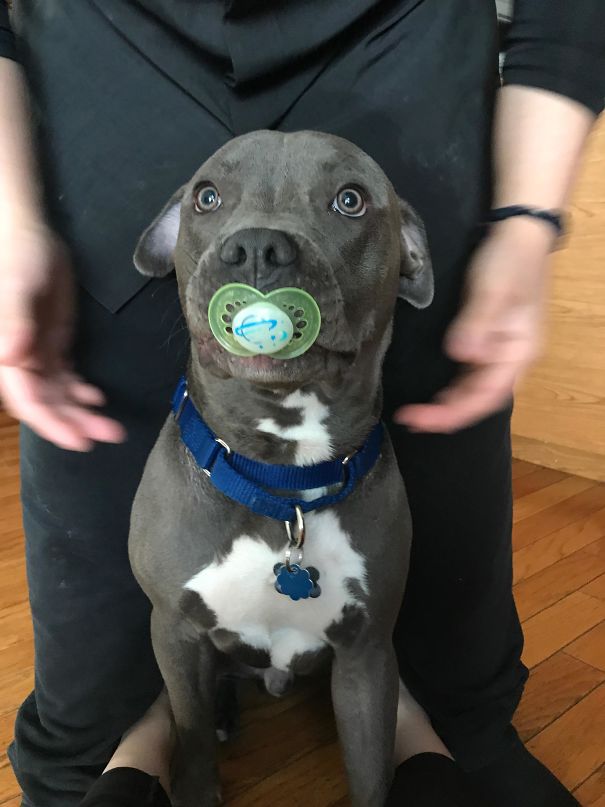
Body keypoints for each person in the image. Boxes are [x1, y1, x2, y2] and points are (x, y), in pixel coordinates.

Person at [0, 1, 603, 805]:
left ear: (407, 252)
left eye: (349, 202)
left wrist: (526, 221)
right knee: (84, 713)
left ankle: (419, 731)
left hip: (402, 44)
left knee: (457, 667)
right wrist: (9, 222)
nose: (262, 245)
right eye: (209, 208)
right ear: (178, 228)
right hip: (105, 57)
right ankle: (145, 744)